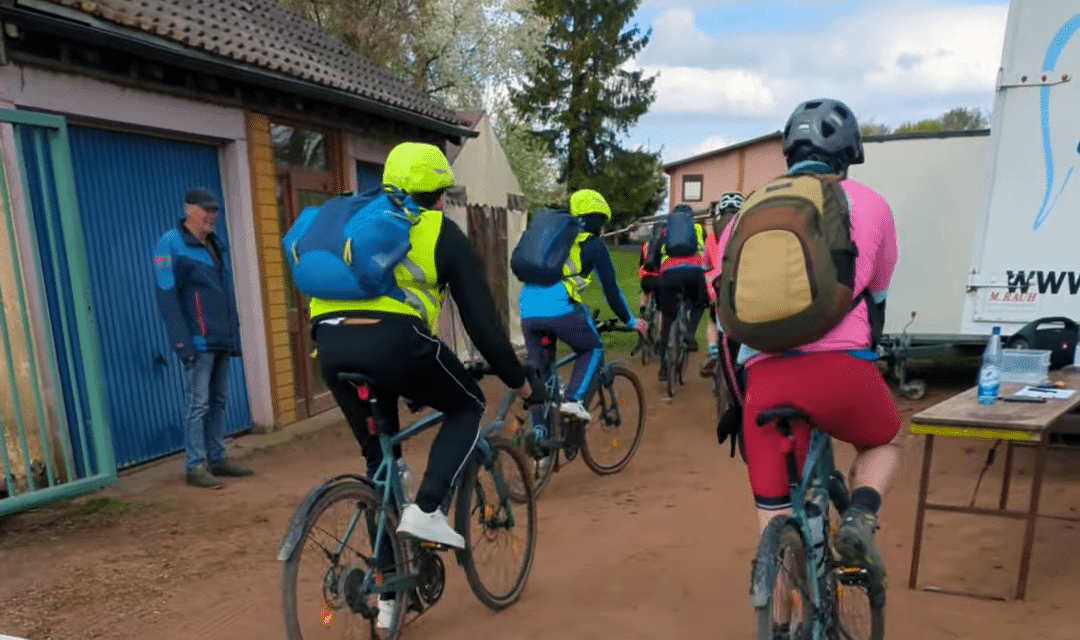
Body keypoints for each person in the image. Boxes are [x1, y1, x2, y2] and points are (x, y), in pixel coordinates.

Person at [310, 142, 542, 560]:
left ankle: (385, 593)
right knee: (468, 404)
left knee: (380, 465)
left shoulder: (352, 223)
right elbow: (485, 330)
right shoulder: (440, 233)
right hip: (395, 346)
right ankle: (429, 508)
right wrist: (522, 383)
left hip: (330, 343)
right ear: (439, 195)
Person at [713, 98, 900, 586]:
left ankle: (779, 602)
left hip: (764, 382)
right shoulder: (872, 203)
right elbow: (878, 292)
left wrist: (737, 402)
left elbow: (726, 317)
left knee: (773, 519)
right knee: (883, 441)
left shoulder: (743, 215)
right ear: (849, 152)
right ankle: (859, 517)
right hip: (841, 372)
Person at [519, 189, 647, 425]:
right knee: (592, 347)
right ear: (599, 221)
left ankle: (540, 443)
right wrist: (631, 320)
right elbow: (611, 291)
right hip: (560, 310)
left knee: (541, 378)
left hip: (527, 309)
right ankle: (573, 399)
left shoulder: (551, 240)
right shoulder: (594, 245)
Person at [153, 188, 251, 489]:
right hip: (198, 339)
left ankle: (217, 459)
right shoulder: (170, 244)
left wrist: (233, 335)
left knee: (219, 401)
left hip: (220, 336)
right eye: (205, 209)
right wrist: (181, 342)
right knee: (198, 404)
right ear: (189, 210)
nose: (212, 215)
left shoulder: (215, 245)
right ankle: (194, 465)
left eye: (215, 210)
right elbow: (167, 296)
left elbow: (224, 294)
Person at [656, 204, 707, 383]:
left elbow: (654, 252)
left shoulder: (665, 228)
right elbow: (707, 252)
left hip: (669, 274)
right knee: (699, 303)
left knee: (667, 321)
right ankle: (690, 333)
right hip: (694, 272)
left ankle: (663, 368)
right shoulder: (698, 228)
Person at [699, 192, 744, 377]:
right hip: (739, 289)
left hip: (715, 290)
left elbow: (705, 266)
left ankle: (713, 351)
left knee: (711, 319)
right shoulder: (745, 233)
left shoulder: (711, 238)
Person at [637, 223, 661, 320]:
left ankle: (642, 310)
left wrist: (641, 274)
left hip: (646, 276)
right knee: (658, 300)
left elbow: (641, 262)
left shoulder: (645, 245)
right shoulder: (662, 244)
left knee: (644, 292)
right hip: (658, 276)